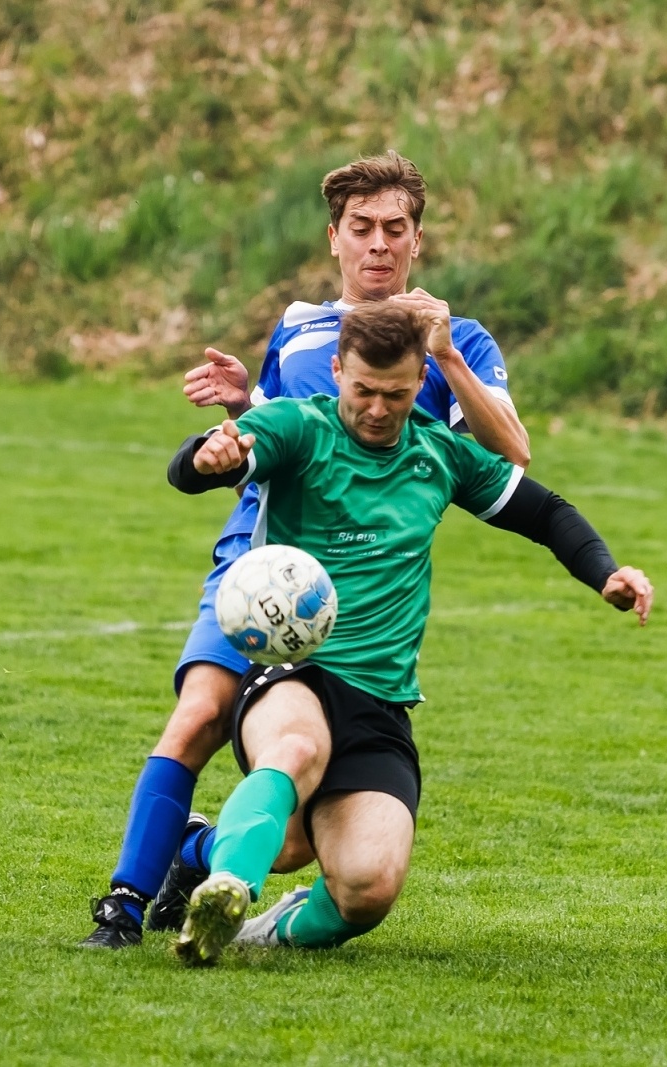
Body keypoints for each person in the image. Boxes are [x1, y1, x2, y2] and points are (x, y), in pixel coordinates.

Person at [81, 151, 531, 948]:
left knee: (291, 831)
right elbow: (285, 436)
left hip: (359, 590)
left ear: (418, 243)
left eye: (396, 229)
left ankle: (195, 852)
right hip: (264, 563)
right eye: (362, 229)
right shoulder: (298, 325)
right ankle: (121, 904)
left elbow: (512, 450)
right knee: (199, 715)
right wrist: (242, 406)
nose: (379, 245)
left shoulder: (455, 338)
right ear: (335, 238)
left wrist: (450, 358)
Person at [161, 301, 650, 964]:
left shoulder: (440, 453)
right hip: (295, 671)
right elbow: (203, 466)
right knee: (296, 749)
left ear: (421, 382)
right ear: (337, 370)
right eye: (362, 390)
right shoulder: (297, 427)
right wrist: (210, 454)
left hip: (381, 700)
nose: (376, 408)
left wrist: (606, 573)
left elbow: (546, 511)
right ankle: (227, 889)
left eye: (395, 394)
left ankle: (248, 911)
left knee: (363, 885)